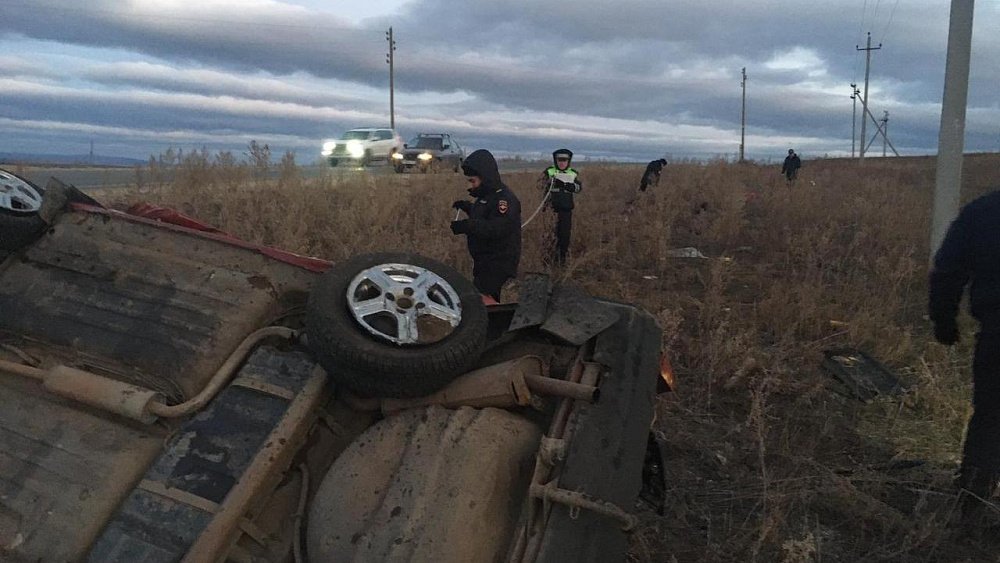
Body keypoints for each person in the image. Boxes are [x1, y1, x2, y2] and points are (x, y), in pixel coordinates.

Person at [929, 189, 1000, 527]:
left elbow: (948, 269)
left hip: (997, 335)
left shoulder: (982, 210)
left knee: (990, 419)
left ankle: (971, 511)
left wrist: (943, 320)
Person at [450, 149, 521, 301]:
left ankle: (492, 323)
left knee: (484, 298)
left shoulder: (504, 199)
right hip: (484, 261)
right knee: (483, 295)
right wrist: (467, 207)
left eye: (473, 181)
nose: (471, 185)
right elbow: (483, 214)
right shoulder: (487, 196)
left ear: (485, 177)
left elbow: (497, 227)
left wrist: (468, 226)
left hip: (498, 261)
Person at [537, 148, 582, 265]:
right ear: (555, 160)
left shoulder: (572, 173)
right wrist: (548, 181)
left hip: (566, 212)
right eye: (559, 160)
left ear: (568, 161)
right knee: (549, 237)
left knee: (564, 237)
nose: (562, 162)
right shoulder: (549, 172)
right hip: (550, 211)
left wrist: (572, 186)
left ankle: (561, 261)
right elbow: (539, 185)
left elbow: (579, 188)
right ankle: (547, 261)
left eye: (564, 160)